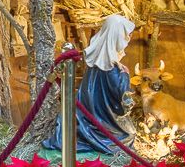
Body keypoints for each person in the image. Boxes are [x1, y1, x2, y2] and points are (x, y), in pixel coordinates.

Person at [43, 14, 135, 154]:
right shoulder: (112, 70)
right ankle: (99, 138)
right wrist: (125, 75)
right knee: (130, 133)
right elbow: (122, 98)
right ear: (116, 37)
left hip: (87, 112)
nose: (127, 39)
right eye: (125, 35)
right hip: (102, 119)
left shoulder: (97, 59)